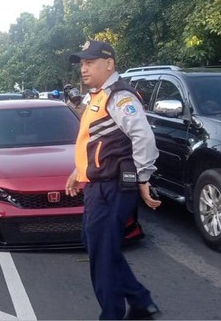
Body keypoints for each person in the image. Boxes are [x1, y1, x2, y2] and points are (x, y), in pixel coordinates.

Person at [64, 40, 162, 320]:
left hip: (113, 186)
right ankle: (140, 300)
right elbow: (93, 142)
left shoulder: (119, 97)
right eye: (82, 63)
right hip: (99, 184)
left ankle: (112, 314)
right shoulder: (97, 95)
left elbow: (144, 138)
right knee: (97, 244)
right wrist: (77, 172)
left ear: (109, 64)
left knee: (102, 256)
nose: (83, 69)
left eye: (90, 63)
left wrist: (143, 178)